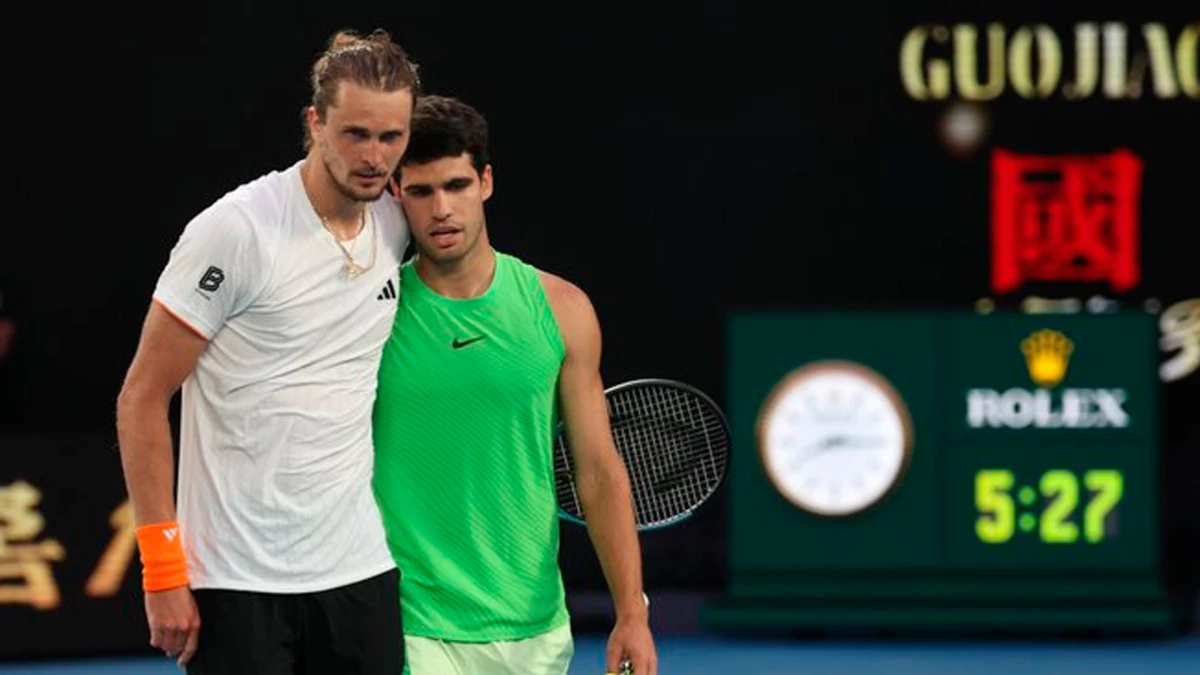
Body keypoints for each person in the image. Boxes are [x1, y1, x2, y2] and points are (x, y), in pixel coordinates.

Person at [114, 28, 419, 674]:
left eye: (391, 137)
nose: (374, 156)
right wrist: (162, 568)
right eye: (355, 134)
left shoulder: (398, 221)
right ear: (314, 122)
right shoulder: (237, 229)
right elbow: (141, 398)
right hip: (235, 581)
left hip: (359, 571)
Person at [372, 94, 658, 675]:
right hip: (411, 625)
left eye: (456, 185)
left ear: (486, 181)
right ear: (397, 194)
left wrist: (632, 613)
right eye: (421, 192)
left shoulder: (562, 309)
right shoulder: (371, 316)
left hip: (535, 627)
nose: (441, 210)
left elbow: (599, 471)